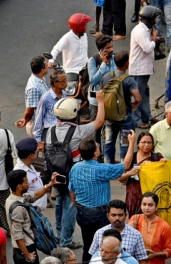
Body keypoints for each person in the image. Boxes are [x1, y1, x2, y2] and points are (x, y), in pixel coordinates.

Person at [70, 137, 139, 264]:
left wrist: (78, 205)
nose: (99, 148)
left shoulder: (75, 168)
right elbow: (126, 165)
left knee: (88, 246)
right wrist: (132, 143)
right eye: (97, 147)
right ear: (95, 153)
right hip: (98, 214)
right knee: (106, 246)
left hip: (81, 212)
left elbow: (72, 190)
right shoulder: (101, 169)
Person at [47, 98, 105, 248]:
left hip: (56, 173)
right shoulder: (78, 131)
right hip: (72, 173)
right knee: (70, 206)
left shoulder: (50, 131)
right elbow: (99, 121)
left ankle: (59, 236)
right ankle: (66, 240)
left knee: (59, 202)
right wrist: (101, 101)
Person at [6, 169, 59, 264]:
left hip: (23, 249)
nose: (28, 184)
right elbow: (18, 236)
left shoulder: (13, 198)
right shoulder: (18, 208)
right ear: (19, 186)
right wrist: (28, 256)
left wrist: (50, 184)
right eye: (26, 182)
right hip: (25, 250)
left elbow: (34, 195)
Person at [49, 12, 92, 102]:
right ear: (79, 27)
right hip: (72, 70)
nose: (86, 27)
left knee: (91, 91)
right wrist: (51, 60)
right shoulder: (67, 37)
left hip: (85, 68)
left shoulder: (84, 36)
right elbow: (56, 49)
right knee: (69, 94)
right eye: (84, 25)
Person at [131, 5, 160, 129]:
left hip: (144, 68)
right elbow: (147, 48)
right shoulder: (140, 31)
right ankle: (137, 120)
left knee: (145, 93)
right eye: (155, 17)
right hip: (139, 69)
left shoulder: (146, 29)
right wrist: (154, 40)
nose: (156, 20)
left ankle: (146, 116)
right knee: (137, 95)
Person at [124, 133, 165, 216]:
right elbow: (123, 171)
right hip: (133, 195)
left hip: (150, 194)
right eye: (143, 142)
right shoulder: (133, 156)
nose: (146, 145)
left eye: (149, 143)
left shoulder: (156, 157)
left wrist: (161, 163)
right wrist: (130, 173)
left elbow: (164, 173)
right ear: (138, 144)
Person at [127, 193, 171, 264]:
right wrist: (128, 228)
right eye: (144, 204)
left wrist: (155, 254)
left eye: (150, 205)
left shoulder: (164, 226)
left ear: (156, 206)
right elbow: (124, 243)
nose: (146, 208)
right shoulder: (134, 219)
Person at [17, 56, 49, 137]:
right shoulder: (34, 88)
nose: (48, 66)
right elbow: (29, 110)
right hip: (38, 125)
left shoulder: (40, 79)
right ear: (42, 70)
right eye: (46, 65)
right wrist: (25, 120)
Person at [13, 138, 47, 214]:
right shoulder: (19, 173)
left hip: (37, 212)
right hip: (31, 214)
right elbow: (20, 197)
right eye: (36, 150)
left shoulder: (29, 165)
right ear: (31, 155)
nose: (38, 151)